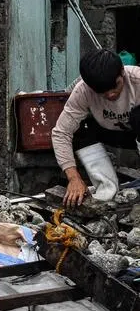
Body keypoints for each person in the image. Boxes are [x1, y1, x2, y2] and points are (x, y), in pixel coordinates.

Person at [52, 49, 140, 207]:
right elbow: (61, 133)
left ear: (122, 72)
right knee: (79, 128)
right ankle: (106, 190)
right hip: (108, 133)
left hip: (135, 132)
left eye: (115, 87)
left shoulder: (137, 79)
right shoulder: (83, 91)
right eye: (103, 93)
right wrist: (73, 177)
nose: (111, 95)